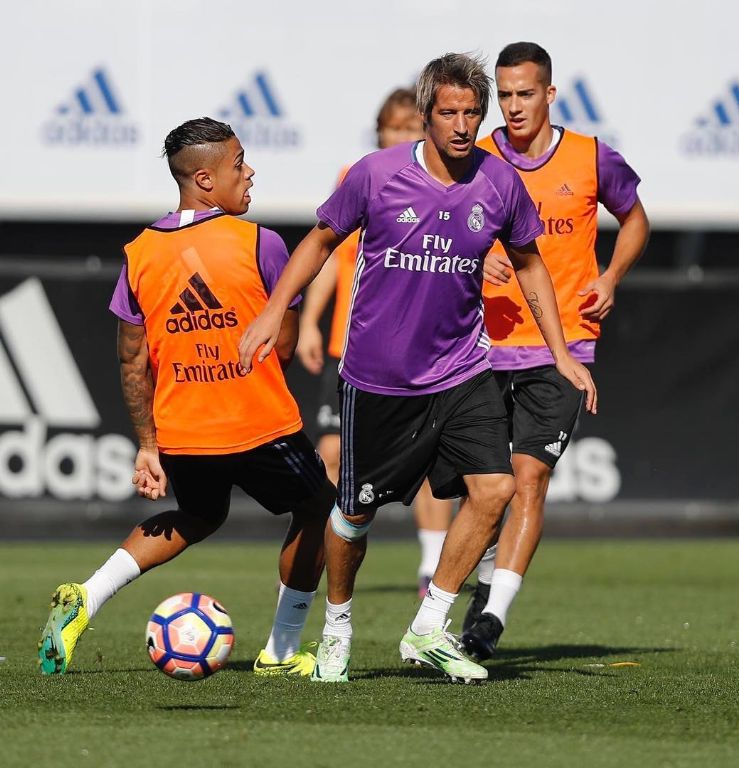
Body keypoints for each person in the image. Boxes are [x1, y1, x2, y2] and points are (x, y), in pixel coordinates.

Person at [239, 53, 597, 684]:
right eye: (448, 112)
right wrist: (275, 311)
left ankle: (429, 626)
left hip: (462, 370)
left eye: (471, 113)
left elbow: (532, 264)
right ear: (426, 115)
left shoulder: (501, 182)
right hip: (379, 380)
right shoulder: (374, 176)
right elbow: (321, 240)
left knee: (497, 490)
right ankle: (338, 629)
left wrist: (562, 354)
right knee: (353, 516)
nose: (462, 125)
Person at [38, 117, 335, 676]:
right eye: (238, 163)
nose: (249, 173)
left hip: (182, 430)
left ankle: (88, 595)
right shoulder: (260, 242)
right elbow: (285, 344)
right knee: (319, 505)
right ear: (204, 179)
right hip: (258, 422)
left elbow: (132, 360)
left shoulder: (139, 252)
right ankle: (283, 649)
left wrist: (148, 443)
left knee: (200, 513)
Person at [460, 42, 650, 660]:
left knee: (530, 478)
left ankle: (492, 615)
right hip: (480, 347)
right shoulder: (477, 158)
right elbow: (443, 232)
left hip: (563, 345)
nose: (513, 107)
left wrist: (610, 278)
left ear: (549, 94)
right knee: (483, 488)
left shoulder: (592, 157)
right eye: (505, 95)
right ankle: (480, 579)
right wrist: (476, 257)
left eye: (524, 93)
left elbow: (636, 219)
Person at [295, 87, 453, 598]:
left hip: (421, 349)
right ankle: (323, 553)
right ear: (380, 131)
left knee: (430, 458)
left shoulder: (447, 180)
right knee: (331, 454)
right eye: (394, 127)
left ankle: (431, 565)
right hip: (352, 345)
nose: (403, 135)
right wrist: (312, 320)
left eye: (412, 126)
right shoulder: (358, 177)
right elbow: (331, 254)